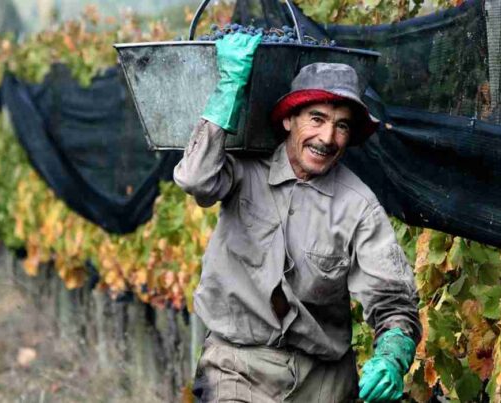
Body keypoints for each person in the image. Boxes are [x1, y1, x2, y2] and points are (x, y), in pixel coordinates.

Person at [174, 33, 421, 402]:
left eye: (342, 125)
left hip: (322, 381)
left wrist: (391, 356)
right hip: (236, 367)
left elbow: (393, 301)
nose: (327, 137)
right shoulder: (243, 171)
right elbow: (195, 179)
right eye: (317, 119)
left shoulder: (358, 206)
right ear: (289, 119)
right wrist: (228, 89)